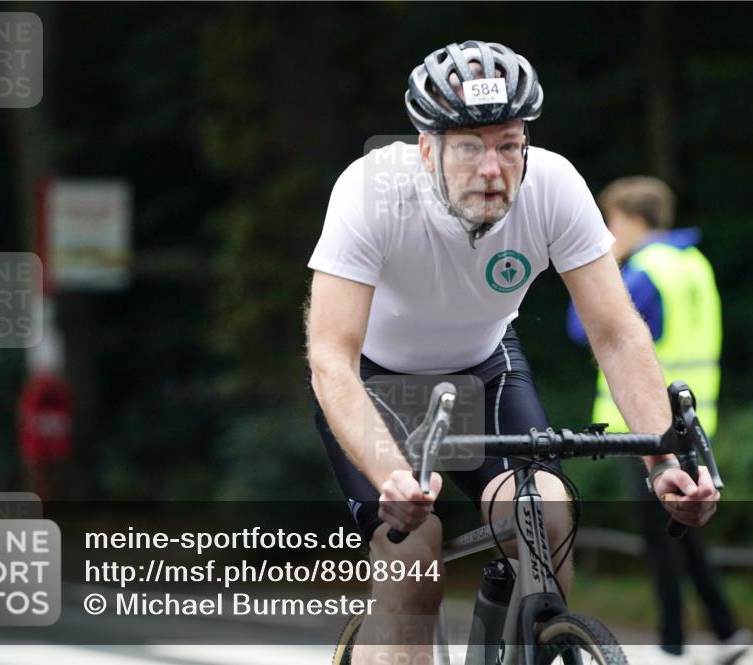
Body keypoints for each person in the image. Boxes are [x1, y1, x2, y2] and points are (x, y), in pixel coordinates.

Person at [305, 41, 720, 665]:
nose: (492, 168)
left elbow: (617, 332)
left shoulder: (553, 187)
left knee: (547, 518)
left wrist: (663, 464)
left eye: (508, 144)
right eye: (469, 145)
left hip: (483, 370)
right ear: (427, 148)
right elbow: (331, 356)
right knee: (414, 557)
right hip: (376, 382)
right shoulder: (369, 192)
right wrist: (391, 470)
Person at [567, 176, 751, 665]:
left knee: (660, 534)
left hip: (645, 424)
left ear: (633, 221)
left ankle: (672, 644)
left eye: (612, 222)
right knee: (685, 527)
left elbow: (583, 328)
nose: (607, 232)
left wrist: (601, 268)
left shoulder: (645, 271)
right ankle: (727, 628)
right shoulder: (693, 264)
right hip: (694, 418)